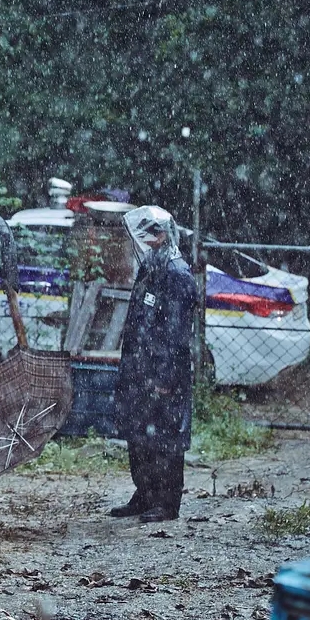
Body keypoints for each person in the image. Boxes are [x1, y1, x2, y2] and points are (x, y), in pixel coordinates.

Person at [109, 206, 197, 523]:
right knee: (139, 434)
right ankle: (145, 493)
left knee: (166, 438)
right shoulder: (152, 268)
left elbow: (176, 333)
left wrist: (165, 376)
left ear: (163, 235)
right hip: (140, 368)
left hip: (162, 371)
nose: (146, 241)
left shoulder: (176, 274)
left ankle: (166, 501)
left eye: (151, 234)